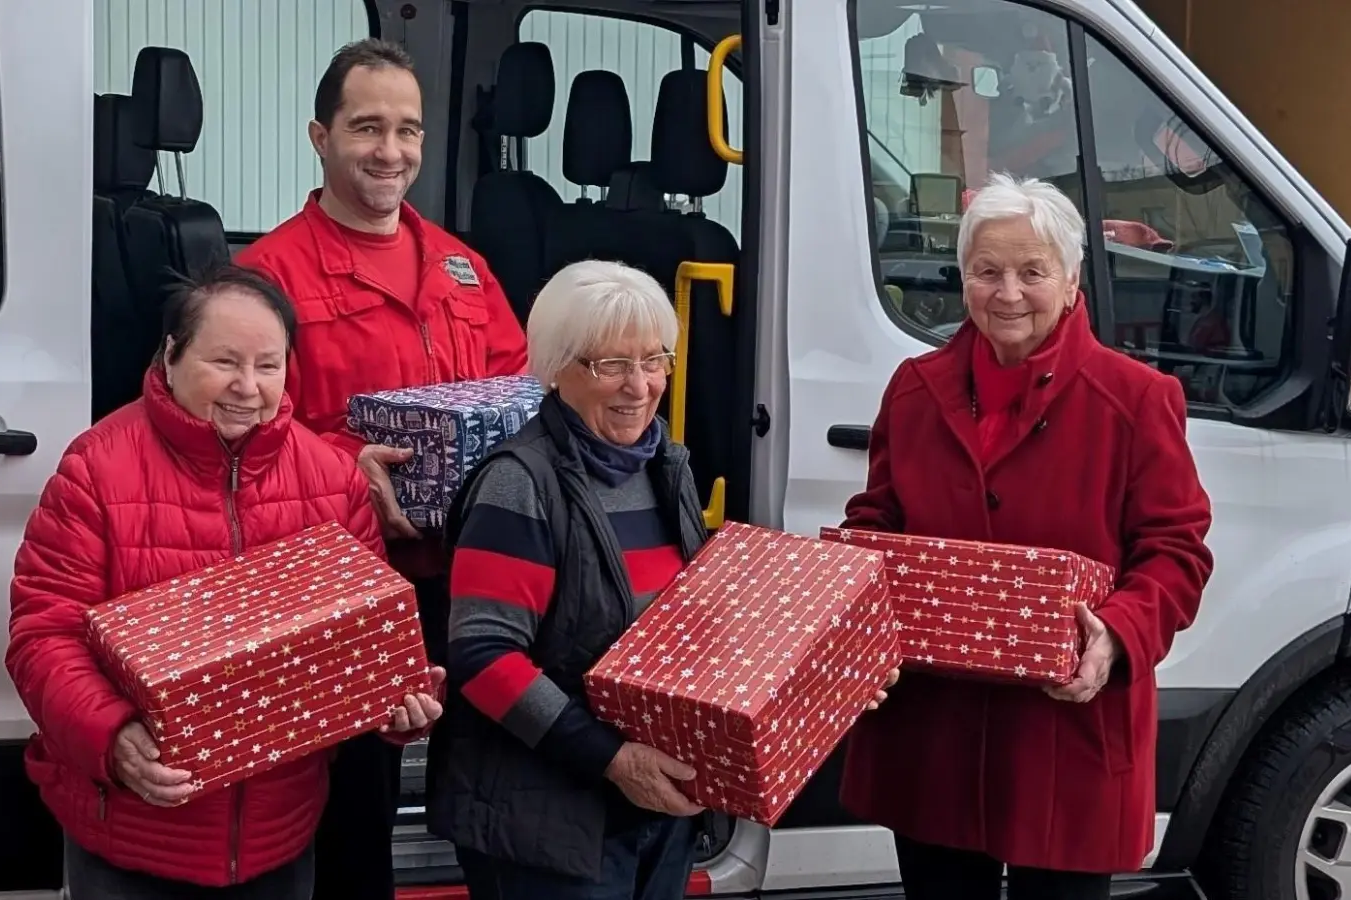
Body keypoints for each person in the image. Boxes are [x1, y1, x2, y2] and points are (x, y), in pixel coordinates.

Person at [427, 260, 896, 899]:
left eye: (655, 361)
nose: (640, 386)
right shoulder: (521, 483)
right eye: (611, 365)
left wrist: (830, 680)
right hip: (549, 821)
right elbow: (483, 659)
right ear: (557, 368)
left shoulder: (664, 465)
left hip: (652, 811)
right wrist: (612, 760)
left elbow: (691, 638)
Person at [4, 264, 444, 900]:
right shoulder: (96, 470)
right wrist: (113, 737)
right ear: (172, 355)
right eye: (224, 363)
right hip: (133, 832)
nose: (247, 387)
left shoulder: (331, 478)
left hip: (280, 837)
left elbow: (354, 638)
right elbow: (43, 635)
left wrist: (394, 703)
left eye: (269, 366)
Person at [836, 172, 1214, 900]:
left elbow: (1176, 551)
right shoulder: (913, 389)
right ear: (963, 279)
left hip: (1064, 729)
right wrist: (850, 581)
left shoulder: (1135, 400)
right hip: (934, 731)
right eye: (986, 271)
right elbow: (875, 521)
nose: (1006, 293)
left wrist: (1115, 636)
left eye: (1030, 272)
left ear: (1070, 280)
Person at [234, 37, 527, 900]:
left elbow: (515, 391)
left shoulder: (464, 268)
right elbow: (233, 429)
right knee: (350, 810)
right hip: (340, 585)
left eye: (408, 130)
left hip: (468, 577)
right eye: (367, 127)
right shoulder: (266, 277)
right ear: (319, 136)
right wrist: (342, 464)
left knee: (488, 787)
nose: (390, 151)